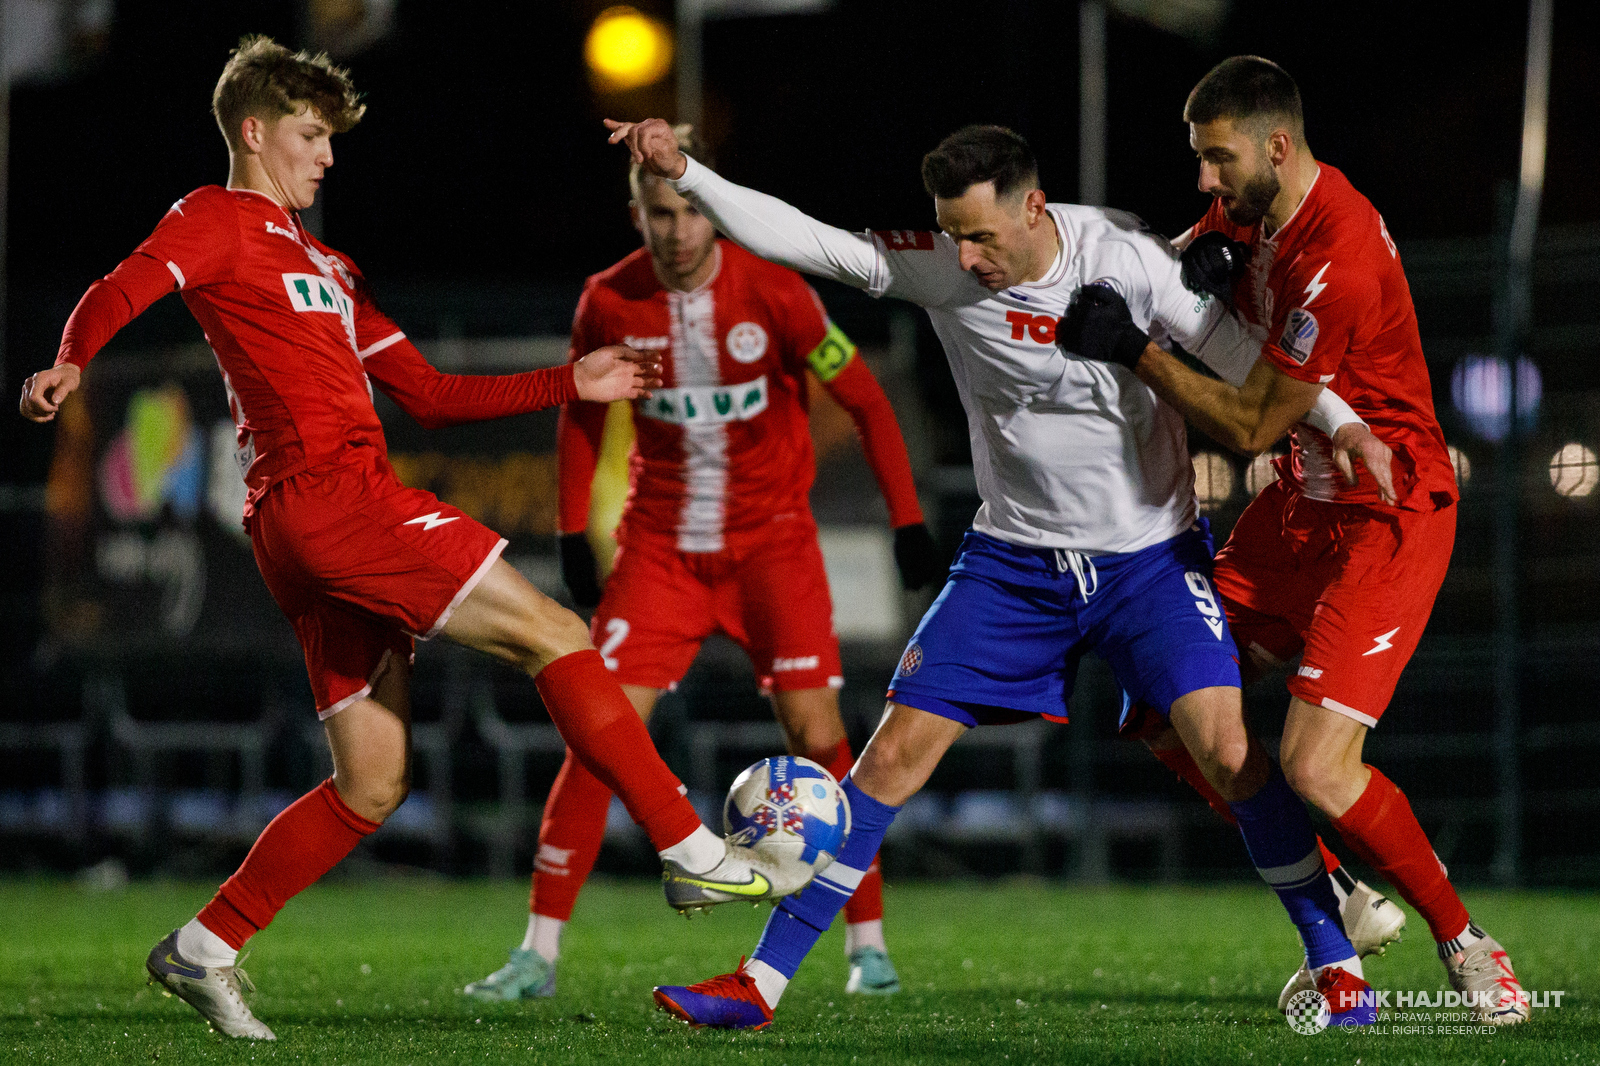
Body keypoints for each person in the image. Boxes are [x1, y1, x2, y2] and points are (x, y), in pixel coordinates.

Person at [18, 38, 786, 1041]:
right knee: (557, 629)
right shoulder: (214, 221)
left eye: (330, 139)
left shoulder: (329, 267)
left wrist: (573, 382)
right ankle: (688, 847)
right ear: (253, 133)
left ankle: (205, 944)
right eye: (309, 135)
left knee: (372, 783)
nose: (325, 157)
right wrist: (71, 360)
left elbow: (427, 390)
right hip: (330, 504)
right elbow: (124, 284)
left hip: (315, 526)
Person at [608, 117, 1389, 1030]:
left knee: (1226, 750)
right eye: (952, 234)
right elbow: (809, 239)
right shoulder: (943, 264)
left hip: (1147, 561)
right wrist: (690, 174)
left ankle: (1335, 961)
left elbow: (1240, 362)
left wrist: (1339, 425)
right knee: (889, 757)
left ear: (1032, 205)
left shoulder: (1124, 254)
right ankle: (759, 984)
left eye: (981, 235)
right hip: (1012, 564)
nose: (966, 257)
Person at [1057, 56, 1527, 1025]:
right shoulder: (1251, 212)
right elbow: (1170, 257)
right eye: (1197, 158)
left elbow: (1249, 426)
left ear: (1275, 146)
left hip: (1380, 513)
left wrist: (1134, 348)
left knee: (1317, 766)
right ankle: (1342, 908)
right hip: (1293, 511)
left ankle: (1466, 941)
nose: (1204, 180)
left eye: (1215, 158)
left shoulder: (1336, 255)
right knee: (1161, 705)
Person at [463, 125, 939, 1003]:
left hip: (773, 550)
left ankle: (867, 947)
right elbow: (578, 413)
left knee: (822, 742)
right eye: (657, 216)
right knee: (595, 735)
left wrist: (907, 520)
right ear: (636, 217)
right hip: (661, 555)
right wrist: (575, 536)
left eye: (688, 213)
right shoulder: (608, 300)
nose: (677, 232)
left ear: (712, 213)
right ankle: (537, 953)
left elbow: (866, 400)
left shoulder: (777, 291)